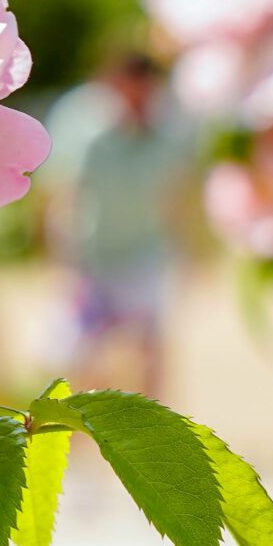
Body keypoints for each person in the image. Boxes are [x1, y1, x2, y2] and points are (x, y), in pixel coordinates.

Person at [39, 43, 192, 395]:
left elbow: (176, 191)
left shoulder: (168, 126)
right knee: (80, 353)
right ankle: (84, 432)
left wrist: (185, 250)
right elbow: (58, 191)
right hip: (88, 254)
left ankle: (157, 430)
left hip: (143, 248)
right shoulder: (83, 122)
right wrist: (56, 257)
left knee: (150, 342)